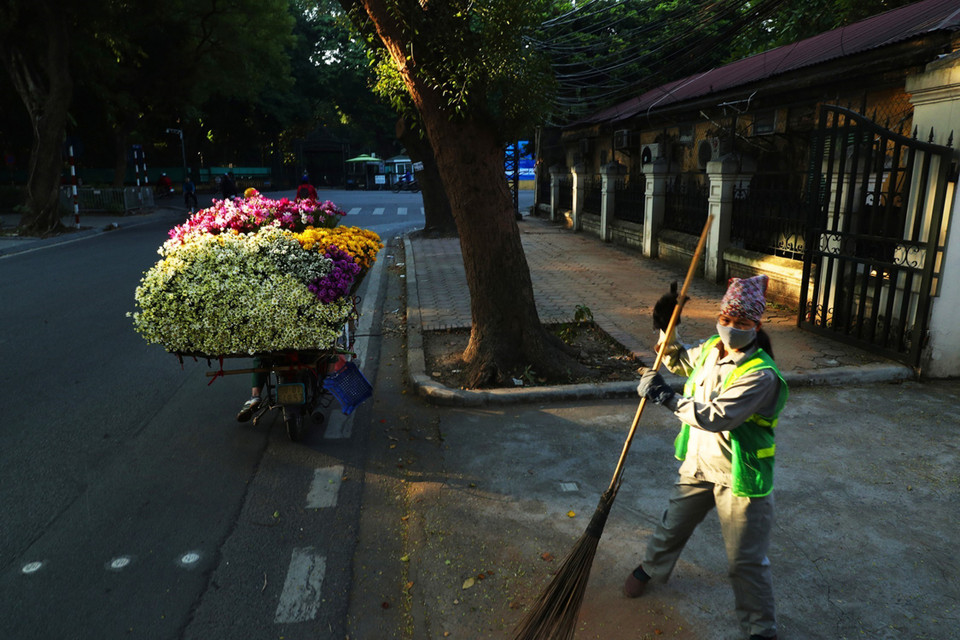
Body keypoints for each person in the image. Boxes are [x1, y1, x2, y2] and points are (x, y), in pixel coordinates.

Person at [624, 274, 788, 640]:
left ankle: (761, 630)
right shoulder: (714, 349)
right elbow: (682, 362)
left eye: (741, 323)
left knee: (745, 563)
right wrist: (665, 329)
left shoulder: (762, 375)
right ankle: (650, 568)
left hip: (740, 476)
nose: (730, 328)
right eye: (726, 320)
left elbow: (715, 416)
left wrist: (665, 397)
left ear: (756, 325)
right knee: (672, 525)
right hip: (699, 465)